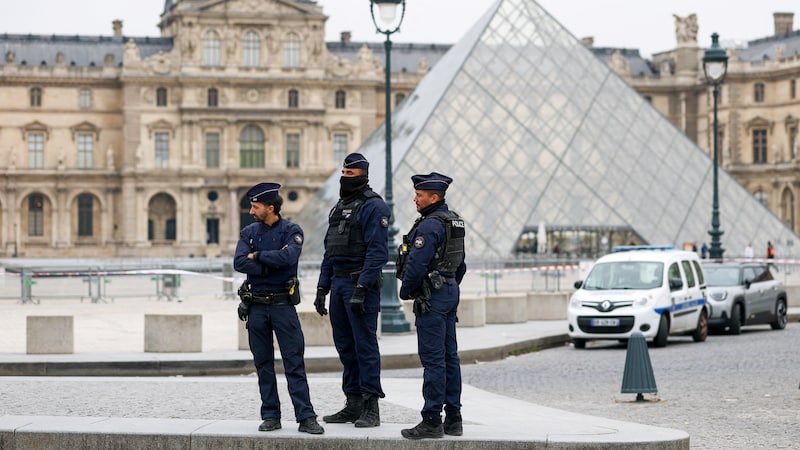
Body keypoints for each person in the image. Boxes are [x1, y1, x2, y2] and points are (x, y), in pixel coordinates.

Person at [234, 182, 324, 435]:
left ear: (270, 208)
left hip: (283, 305)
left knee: (294, 363)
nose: (251, 211)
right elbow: (239, 262)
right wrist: (268, 261)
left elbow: (288, 260)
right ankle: (271, 415)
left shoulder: (292, 230)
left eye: (255, 206)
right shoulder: (249, 231)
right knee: (263, 364)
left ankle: (306, 416)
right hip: (257, 307)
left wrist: (258, 256)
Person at [314, 153, 390, 428]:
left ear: (363, 176)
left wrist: (362, 287)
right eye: (343, 175)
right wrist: (323, 287)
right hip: (339, 284)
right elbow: (330, 250)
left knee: (365, 347)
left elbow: (377, 252)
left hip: (360, 284)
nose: (344, 179)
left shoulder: (374, 206)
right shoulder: (338, 208)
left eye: (350, 175)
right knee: (345, 347)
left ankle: (371, 406)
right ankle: (353, 401)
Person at [396, 172, 467, 440]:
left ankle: (431, 420)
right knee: (450, 357)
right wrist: (449, 284)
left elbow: (416, 265)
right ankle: (454, 419)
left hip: (432, 296)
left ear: (433, 197)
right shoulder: (455, 221)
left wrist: (407, 290)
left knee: (434, 360)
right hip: (449, 290)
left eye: (420, 195)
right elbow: (461, 264)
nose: (415, 198)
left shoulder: (429, 226)